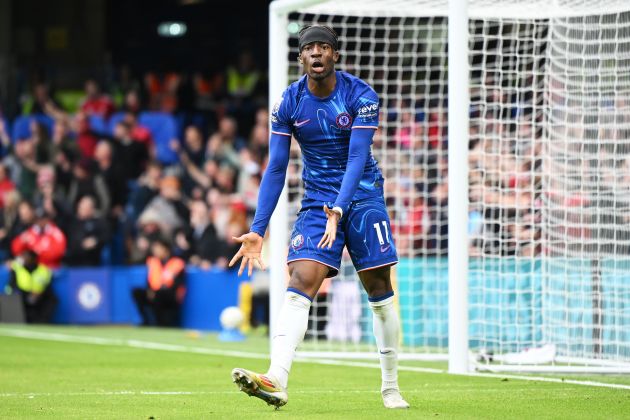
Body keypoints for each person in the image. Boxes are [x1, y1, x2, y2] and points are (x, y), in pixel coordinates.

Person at [229, 25, 408, 409]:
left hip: (361, 197)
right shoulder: (288, 103)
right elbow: (276, 168)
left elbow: (358, 158)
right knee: (301, 277)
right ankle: (276, 377)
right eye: (309, 47)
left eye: (324, 47)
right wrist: (258, 229)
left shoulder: (360, 95)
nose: (316, 53)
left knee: (378, 289)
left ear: (335, 55)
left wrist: (340, 208)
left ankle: (390, 386)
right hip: (316, 200)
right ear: (301, 58)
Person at [132, 237, 185, 327]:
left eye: (158, 248)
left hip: (170, 295)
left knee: (160, 294)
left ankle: (159, 322)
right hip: (155, 292)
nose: (155, 251)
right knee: (137, 291)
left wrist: (158, 290)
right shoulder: (153, 261)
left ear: (165, 249)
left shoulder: (177, 262)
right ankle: (146, 321)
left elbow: (178, 283)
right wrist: (150, 290)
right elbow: (150, 279)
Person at [6, 249, 57, 323]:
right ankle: (21, 320)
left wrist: (39, 293)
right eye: (22, 256)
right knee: (16, 298)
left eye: (26, 256)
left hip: (39, 294)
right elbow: (11, 284)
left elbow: (47, 286)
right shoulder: (17, 268)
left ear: (33, 259)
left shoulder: (43, 270)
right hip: (22, 293)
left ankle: (42, 321)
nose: (23, 259)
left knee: (52, 299)